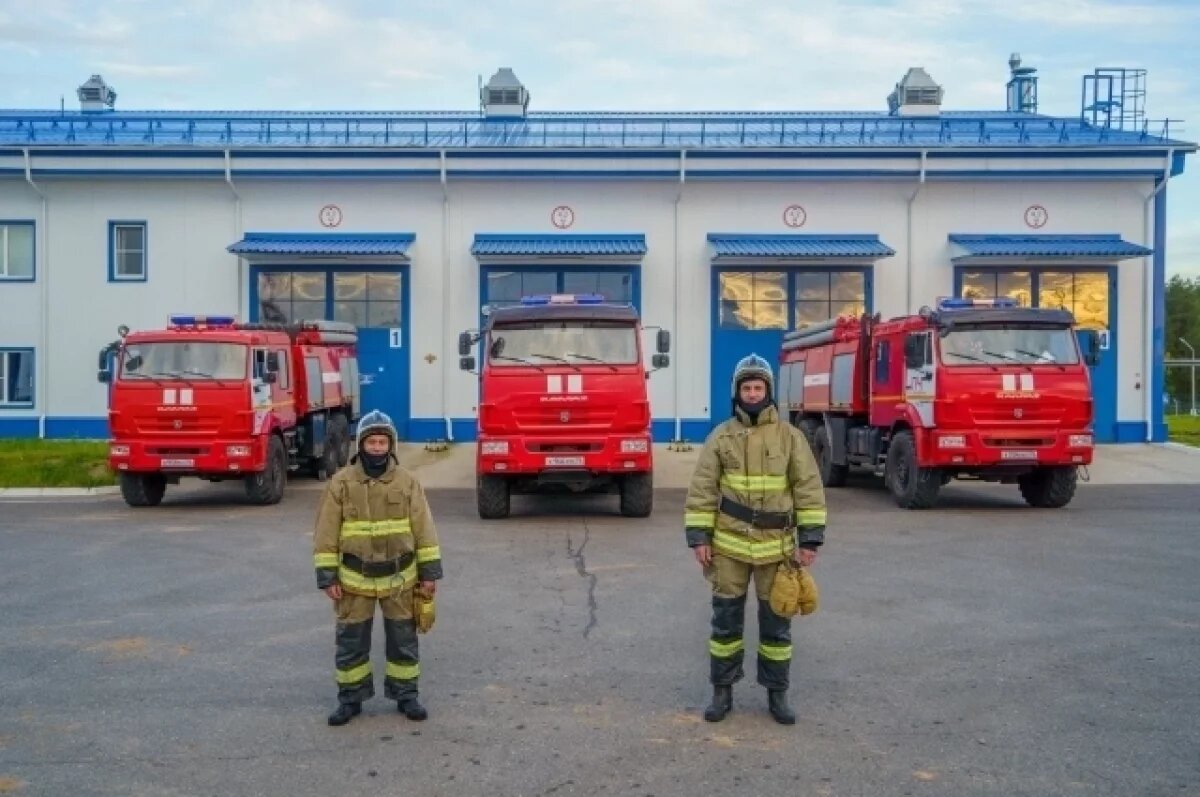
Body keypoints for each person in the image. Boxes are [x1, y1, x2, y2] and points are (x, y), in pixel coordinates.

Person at [683, 354, 827, 725]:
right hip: (728, 547)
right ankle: (722, 692)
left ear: (768, 391)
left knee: (777, 625)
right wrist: (699, 537)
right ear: (737, 392)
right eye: (746, 388)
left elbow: (808, 488)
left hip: (776, 549)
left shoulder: (791, 437)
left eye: (757, 387)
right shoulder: (720, 436)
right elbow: (702, 490)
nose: (751, 394)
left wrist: (809, 540)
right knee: (725, 625)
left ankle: (777, 696)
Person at [313, 410, 443, 726]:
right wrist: (327, 576)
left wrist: (429, 573)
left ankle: (406, 696)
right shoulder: (340, 483)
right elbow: (326, 531)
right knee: (350, 643)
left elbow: (424, 528)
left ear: (391, 445)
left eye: (382, 441)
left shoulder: (408, 482)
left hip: (401, 579)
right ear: (361, 445)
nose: (376, 447)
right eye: (371, 441)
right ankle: (350, 700)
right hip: (353, 580)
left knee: (404, 642)